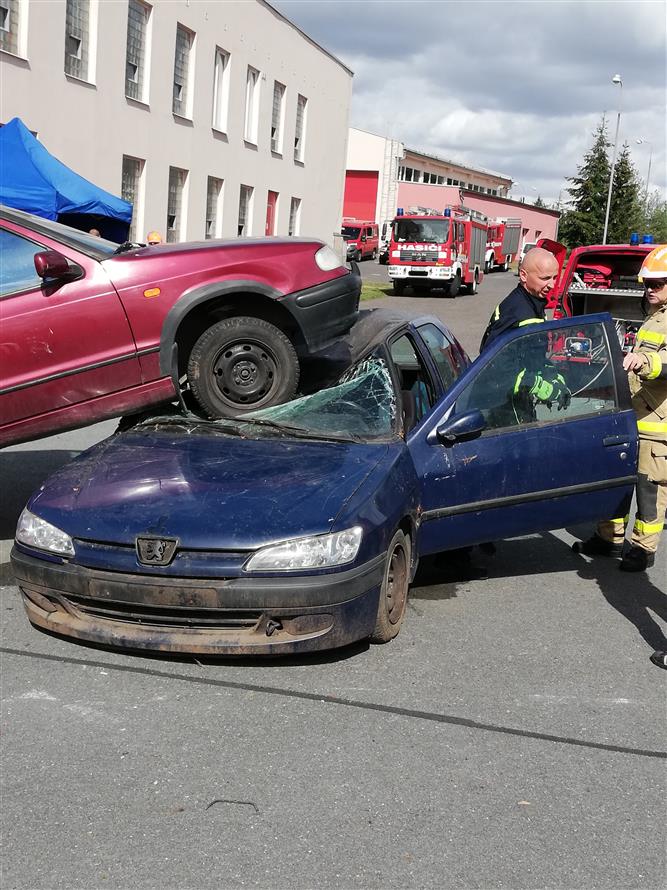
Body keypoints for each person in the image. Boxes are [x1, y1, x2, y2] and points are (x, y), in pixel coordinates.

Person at [574, 244, 667, 590]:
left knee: (648, 489)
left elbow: (662, 364)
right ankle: (609, 538)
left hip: (657, 425)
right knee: (616, 479)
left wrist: (647, 362)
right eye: (647, 284)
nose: (649, 289)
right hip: (632, 417)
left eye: (657, 284)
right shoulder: (655, 316)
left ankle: (643, 549)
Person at [480, 246, 570, 422]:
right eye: (545, 278)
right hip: (503, 407)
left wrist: (554, 377)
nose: (552, 285)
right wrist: (542, 387)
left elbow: (532, 357)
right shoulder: (518, 312)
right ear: (523, 275)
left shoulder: (533, 304)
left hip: (519, 400)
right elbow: (496, 367)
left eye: (554, 277)